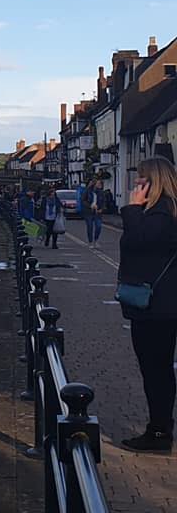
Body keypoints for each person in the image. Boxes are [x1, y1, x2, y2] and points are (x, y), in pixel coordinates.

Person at [118, 157, 177, 452]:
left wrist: (132, 209)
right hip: (160, 304)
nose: (137, 185)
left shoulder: (161, 215)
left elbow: (136, 242)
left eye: (142, 180)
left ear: (155, 182)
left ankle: (158, 432)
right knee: (160, 369)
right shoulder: (163, 212)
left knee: (155, 369)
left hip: (156, 306)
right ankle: (160, 428)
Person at [82, 179, 105, 248]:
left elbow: (104, 202)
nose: (99, 185)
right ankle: (90, 242)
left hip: (97, 212)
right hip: (89, 212)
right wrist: (90, 206)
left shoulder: (101, 192)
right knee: (90, 227)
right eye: (98, 184)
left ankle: (96, 240)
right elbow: (83, 200)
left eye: (100, 184)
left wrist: (101, 209)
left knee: (98, 226)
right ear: (94, 184)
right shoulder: (88, 191)